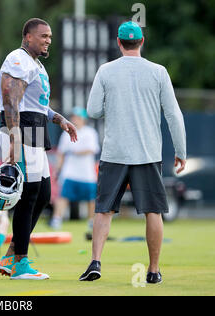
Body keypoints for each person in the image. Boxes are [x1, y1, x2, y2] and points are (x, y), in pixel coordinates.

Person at [79, 21, 186, 284]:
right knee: (153, 211)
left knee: (103, 210)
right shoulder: (158, 72)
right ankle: (153, 270)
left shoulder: (105, 70)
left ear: (118, 42)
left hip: (114, 152)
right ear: (142, 41)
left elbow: (92, 111)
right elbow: (173, 114)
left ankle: (95, 262)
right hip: (147, 153)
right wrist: (181, 150)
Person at [0, 18, 78, 280]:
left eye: (50, 36)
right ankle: (20, 263)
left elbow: (38, 104)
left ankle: (11, 255)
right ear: (28, 37)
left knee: (42, 194)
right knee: (28, 195)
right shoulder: (18, 58)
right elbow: (11, 98)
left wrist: (60, 119)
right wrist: (15, 136)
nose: (48, 40)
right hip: (22, 131)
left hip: (35, 129)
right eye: (43, 36)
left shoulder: (36, 64)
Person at [50, 107, 100, 239]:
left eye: (77, 117)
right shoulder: (66, 133)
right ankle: (56, 220)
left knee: (91, 199)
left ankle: (91, 222)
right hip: (70, 172)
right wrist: (57, 170)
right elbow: (61, 153)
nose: (74, 119)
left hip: (87, 173)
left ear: (83, 119)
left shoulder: (90, 133)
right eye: (73, 117)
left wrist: (74, 151)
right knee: (63, 197)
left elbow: (92, 149)